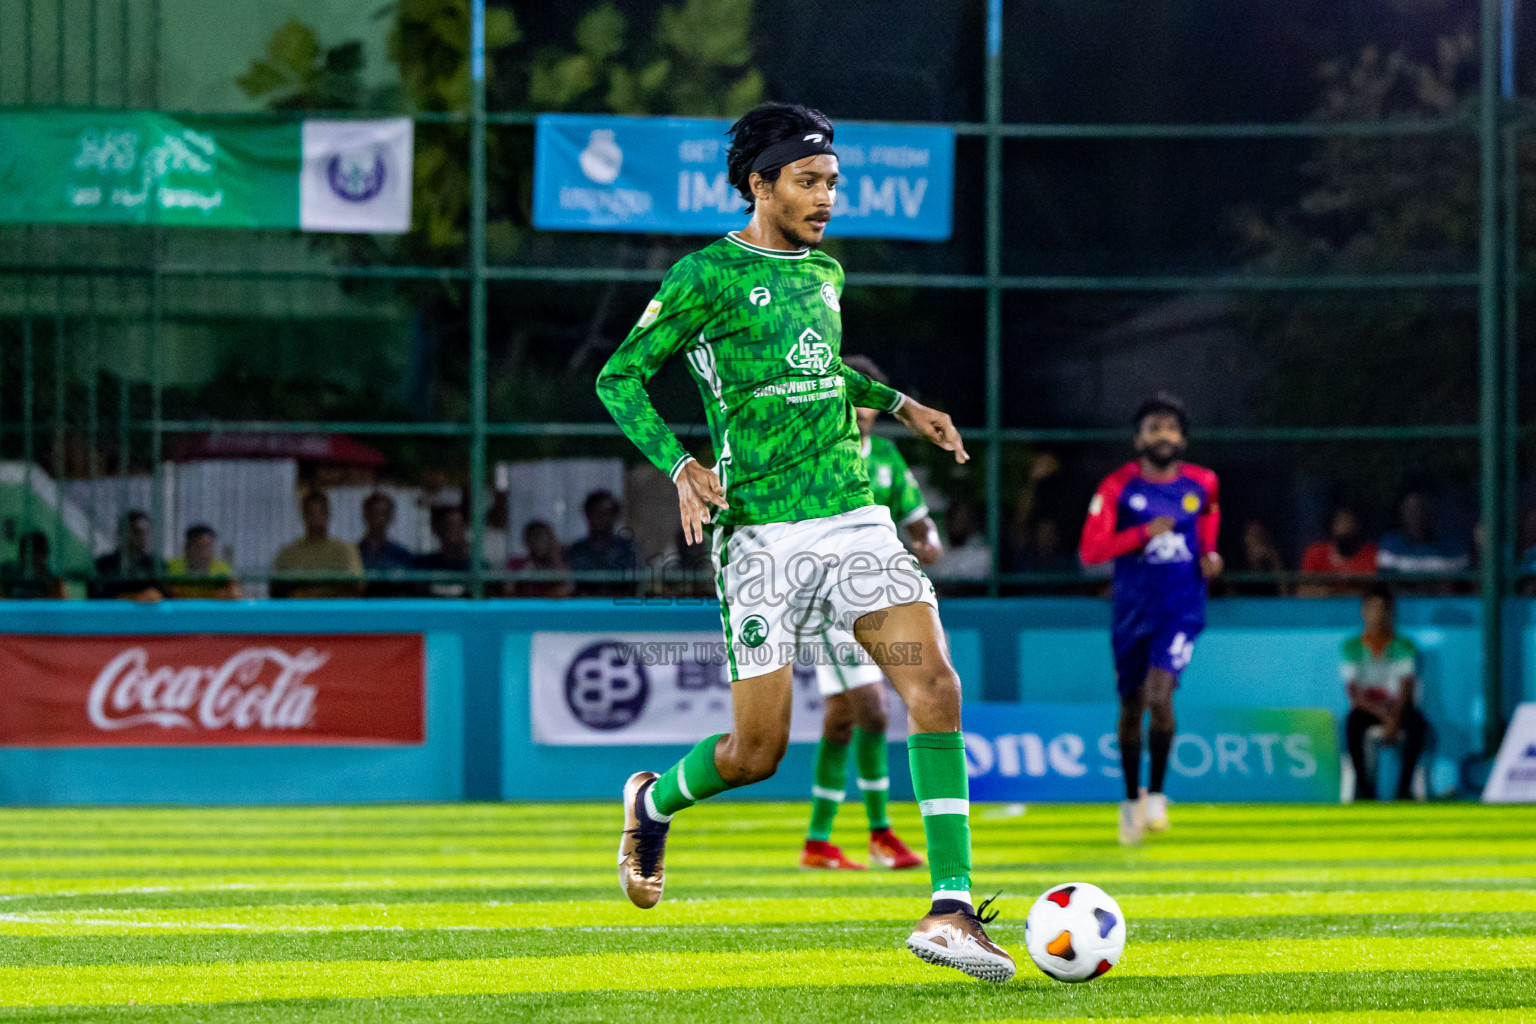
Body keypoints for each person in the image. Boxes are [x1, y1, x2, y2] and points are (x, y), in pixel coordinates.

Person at [596, 103, 1014, 981]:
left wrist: (903, 406)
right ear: (760, 183)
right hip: (761, 537)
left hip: (852, 519)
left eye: (832, 183)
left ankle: (951, 908)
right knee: (758, 753)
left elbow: (820, 376)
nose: (827, 198)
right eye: (808, 181)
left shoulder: (826, 272)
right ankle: (653, 799)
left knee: (933, 686)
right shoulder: (705, 275)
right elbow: (619, 374)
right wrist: (678, 465)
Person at [798, 354, 939, 874]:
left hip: (874, 599)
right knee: (875, 712)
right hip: (824, 601)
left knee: (841, 721)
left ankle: (817, 842)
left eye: (867, 399)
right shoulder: (812, 454)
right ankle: (881, 834)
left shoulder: (885, 460)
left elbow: (920, 520)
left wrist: (928, 542)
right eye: (850, 396)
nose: (859, 408)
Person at [1078, 392, 1222, 846]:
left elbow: (1209, 526)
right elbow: (1091, 553)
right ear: (1139, 438)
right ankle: (1129, 801)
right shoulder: (1118, 487)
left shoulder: (1203, 483)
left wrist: (1211, 555)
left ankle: (1157, 794)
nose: (1164, 436)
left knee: (1160, 694)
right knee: (1131, 706)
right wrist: (1141, 533)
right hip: (1132, 612)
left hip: (1181, 609)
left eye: (1172, 428)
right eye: (1154, 428)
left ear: (1182, 438)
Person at [1342, 584, 1428, 801]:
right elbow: (1354, 694)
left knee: (1417, 725)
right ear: (1363, 611)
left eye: (1382, 609)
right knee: (1352, 723)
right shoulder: (1351, 647)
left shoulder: (1404, 646)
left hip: (1397, 706)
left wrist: (1394, 717)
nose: (1376, 615)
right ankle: (1364, 789)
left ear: (1390, 612)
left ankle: (1403, 790)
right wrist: (1386, 719)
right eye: (1371, 608)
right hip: (1368, 708)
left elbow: (1406, 688)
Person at [271, 490, 363, 598]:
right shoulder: (288, 554)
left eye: (320, 512)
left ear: (327, 513)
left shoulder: (344, 551)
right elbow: (278, 591)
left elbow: (356, 588)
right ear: (304, 514)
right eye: (311, 512)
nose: (316, 518)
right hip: (300, 611)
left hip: (334, 611)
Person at [564, 490, 642, 596]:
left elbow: (634, 583)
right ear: (587, 514)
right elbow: (568, 584)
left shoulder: (628, 549)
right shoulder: (576, 550)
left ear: (615, 516)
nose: (601, 519)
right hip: (584, 607)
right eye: (596, 513)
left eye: (606, 513)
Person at [1377, 491, 1470, 578]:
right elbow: (1388, 586)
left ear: (1430, 512)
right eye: (1410, 510)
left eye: (1420, 508)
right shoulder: (1390, 545)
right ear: (1402, 513)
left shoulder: (1452, 547)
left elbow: (1458, 587)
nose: (1416, 515)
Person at [1298, 506, 1378, 597]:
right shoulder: (1315, 553)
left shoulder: (1371, 554)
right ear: (1332, 526)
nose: (1345, 527)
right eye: (1341, 522)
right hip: (1323, 608)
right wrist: (1335, 591)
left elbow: (1374, 591)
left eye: (1350, 523)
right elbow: (1303, 591)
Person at [89, 510, 164, 601]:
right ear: (122, 534)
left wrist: (155, 594)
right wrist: (134, 597)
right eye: (137, 532)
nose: (142, 537)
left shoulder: (155, 565)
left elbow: (165, 595)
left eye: (146, 532)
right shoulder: (104, 565)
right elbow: (97, 596)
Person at [357, 491, 416, 597]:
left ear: (390, 517)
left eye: (383, 513)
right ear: (365, 514)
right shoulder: (353, 552)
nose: (378, 518)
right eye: (374, 512)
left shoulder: (402, 556)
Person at [414, 505, 478, 598]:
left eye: (457, 526)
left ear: (465, 528)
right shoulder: (423, 565)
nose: (452, 531)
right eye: (448, 526)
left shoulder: (477, 567)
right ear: (438, 529)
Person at [165, 524, 238, 599]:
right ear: (187, 548)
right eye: (199, 547)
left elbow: (234, 593)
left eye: (207, 546)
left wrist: (230, 594)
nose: (204, 552)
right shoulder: (172, 567)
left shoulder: (222, 569)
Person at [507, 520, 575, 598]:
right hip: (525, 606)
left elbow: (569, 587)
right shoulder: (516, 564)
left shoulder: (559, 562)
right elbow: (508, 589)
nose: (539, 542)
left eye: (543, 537)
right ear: (527, 540)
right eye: (535, 536)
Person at [1, 531, 66, 599]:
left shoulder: (54, 583)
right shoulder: (7, 577)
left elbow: (58, 606)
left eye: (39, 552)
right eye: (27, 553)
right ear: (21, 553)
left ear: (45, 554)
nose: (32, 558)